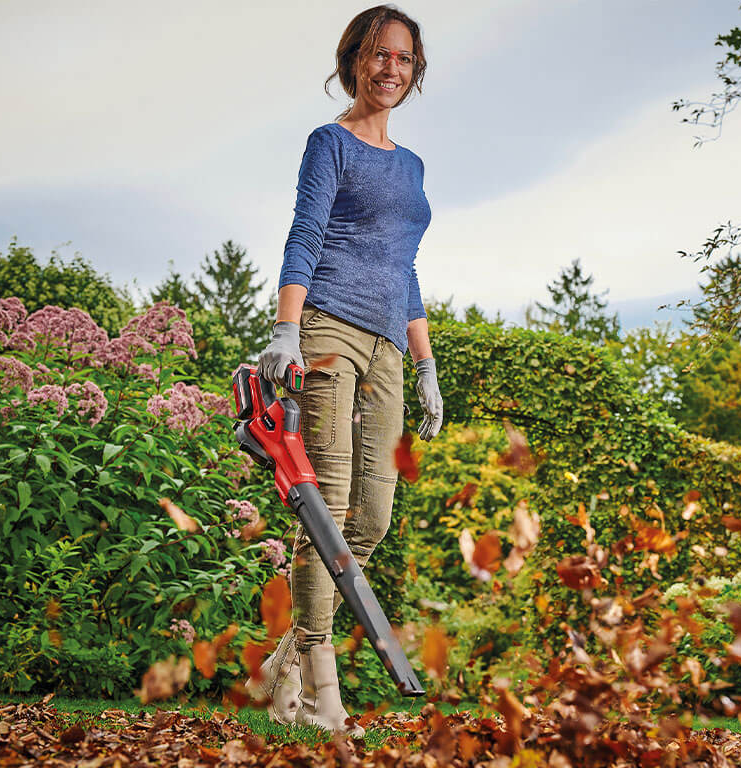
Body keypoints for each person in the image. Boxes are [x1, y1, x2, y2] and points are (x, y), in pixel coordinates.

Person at [245, 5, 443, 736]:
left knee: (375, 515)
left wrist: (427, 364)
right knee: (322, 503)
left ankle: (287, 657)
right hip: (327, 325)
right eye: (378, 55)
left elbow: (407, 268)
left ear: (413, 70)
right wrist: (287, 329)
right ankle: (320, 690)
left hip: (390, 342)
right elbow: (306, 232)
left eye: (404, 58)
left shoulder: (413, 165)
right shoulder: (329, 143)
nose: (391, 68)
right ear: (354, 59)